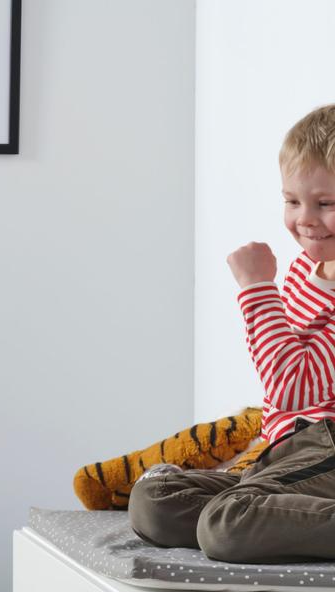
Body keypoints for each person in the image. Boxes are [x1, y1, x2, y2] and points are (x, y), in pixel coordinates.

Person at [129, 105, 335, 562]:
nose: (305, 219)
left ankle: (247, 512)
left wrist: (257, 287)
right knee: (154, 503)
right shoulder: (307, 268)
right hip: (288, 450)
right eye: (292, 200)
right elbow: (278, 365)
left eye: (326, 204)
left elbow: (294, 387)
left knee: (227, 525)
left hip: (327, 441)